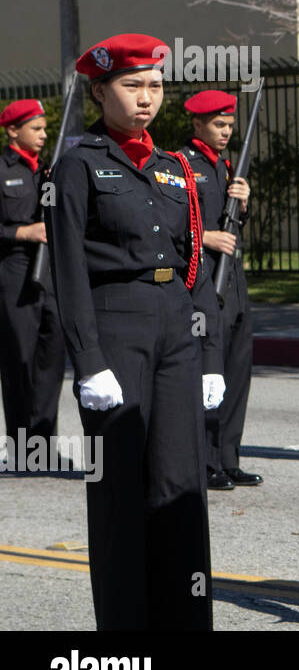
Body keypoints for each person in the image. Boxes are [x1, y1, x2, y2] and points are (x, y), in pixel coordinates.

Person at [48, 34, 224, 630]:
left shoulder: (176, 168)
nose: (146, 98)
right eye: (131, 86)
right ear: (99, 91)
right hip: (116, 326)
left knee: (180, 484)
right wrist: (87, 359)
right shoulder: (78, 163)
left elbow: (194, 261)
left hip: (175, 325)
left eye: (154, 85)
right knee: (120, 492)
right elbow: (68, 269)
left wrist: (210, 353)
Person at [176, 90, 259, 490]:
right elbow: (168, 222)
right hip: (204, 280)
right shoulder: (181, 165)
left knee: (238, 372)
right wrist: (204, 236)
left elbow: (235, 223)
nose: (225, 131)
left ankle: (229, 458)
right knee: (210, 373)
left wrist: (244, 204)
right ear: (198, 124)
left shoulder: (227, 166)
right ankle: (206, 461)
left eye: (229, 125)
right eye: (218, 125)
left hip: (234, 280)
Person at [0, 99, 66, 455]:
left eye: (44, 129)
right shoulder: (1, 169)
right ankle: (21, 446)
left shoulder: (50, 172)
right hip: (14, 272)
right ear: (13, 130)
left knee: (51, 360)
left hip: (50, 274)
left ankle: (44, 444)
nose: (43, 135)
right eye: (35, 128)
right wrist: (20, 233)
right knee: (19, 360)